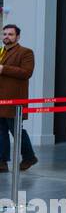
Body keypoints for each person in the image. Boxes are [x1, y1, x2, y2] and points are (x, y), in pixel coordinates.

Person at [0, 24, 37, 173]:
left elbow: (27, 72)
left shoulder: (26, 52)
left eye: (10, 34)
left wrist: (4, 68)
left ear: (18, 37)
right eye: (4, 34)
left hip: (14, 99)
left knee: (16, 130)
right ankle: (2, 162)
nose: (6, 37)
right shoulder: (1, 51)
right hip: (1, 99)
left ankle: (29, 157)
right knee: (1, 131)